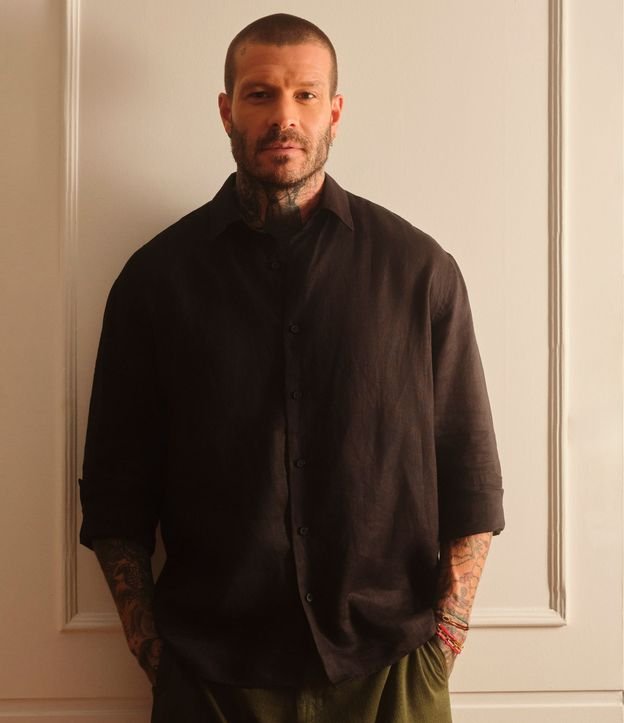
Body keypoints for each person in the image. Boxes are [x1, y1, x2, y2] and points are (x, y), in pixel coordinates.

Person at [79, 12, 504, 723]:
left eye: (306, 94)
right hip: (212, 681)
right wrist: (156, 653)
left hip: (390, 674)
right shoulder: (154, 282)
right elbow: (115, 494)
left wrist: (444, 642)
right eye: (261, 94)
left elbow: (471, 474)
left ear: (334, 111)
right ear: (226, 110)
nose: (285, 116)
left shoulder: (418, 272)